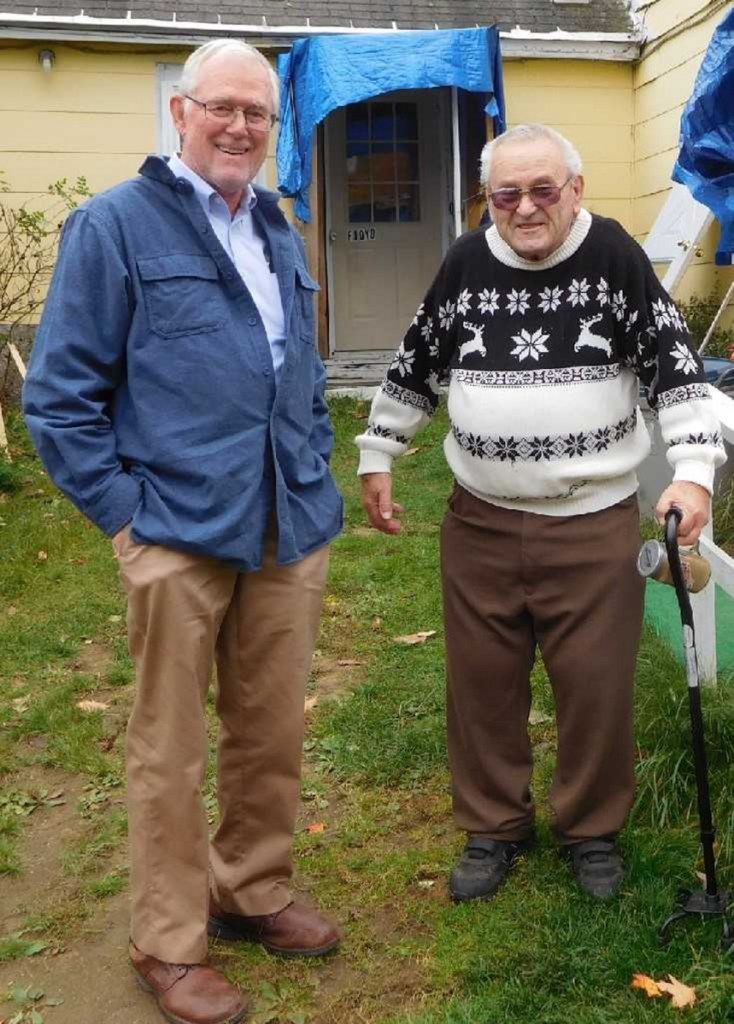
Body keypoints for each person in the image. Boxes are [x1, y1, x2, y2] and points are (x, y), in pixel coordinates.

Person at [23, 38, 343, 1024]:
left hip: (285, 521)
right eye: (222, 109)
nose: (240, 126)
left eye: (257, 113)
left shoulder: (277, 224)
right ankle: (168, 941)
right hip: (175, 529)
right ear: (181, 112)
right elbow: (59, 397)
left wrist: (316, 458)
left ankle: (250, 887)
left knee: (270, 721)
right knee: (170, 747)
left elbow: (298, 367)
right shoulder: (115, 227)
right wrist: (126, 524)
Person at [357, 123, 725, 904]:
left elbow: (676, 371)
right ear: (488, 199)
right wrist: (379, 450)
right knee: (482, 682)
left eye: (541, 190)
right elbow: (418, 358)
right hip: (480, 519)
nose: (524, 208)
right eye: (505, 195)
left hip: (592, 520)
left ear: (575, 190)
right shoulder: (465, 262)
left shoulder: (615, 257)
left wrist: (693, 474)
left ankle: (592, 832)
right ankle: (494, 826)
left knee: (595, 685)